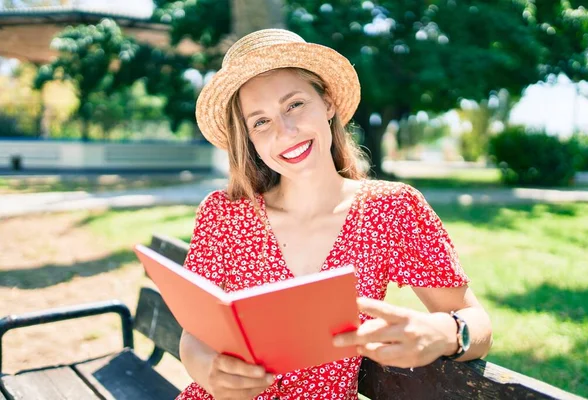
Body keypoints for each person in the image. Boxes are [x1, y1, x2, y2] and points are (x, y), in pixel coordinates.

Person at [176, 29, 493, 400]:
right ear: (249, 138)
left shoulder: (391, 209)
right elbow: (194, 335)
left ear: (327, 103)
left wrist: (443, 334)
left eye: (294, 104)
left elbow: (477, 323)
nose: (286, 131)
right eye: (260, 121)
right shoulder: (223, 215)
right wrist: (210, 373)